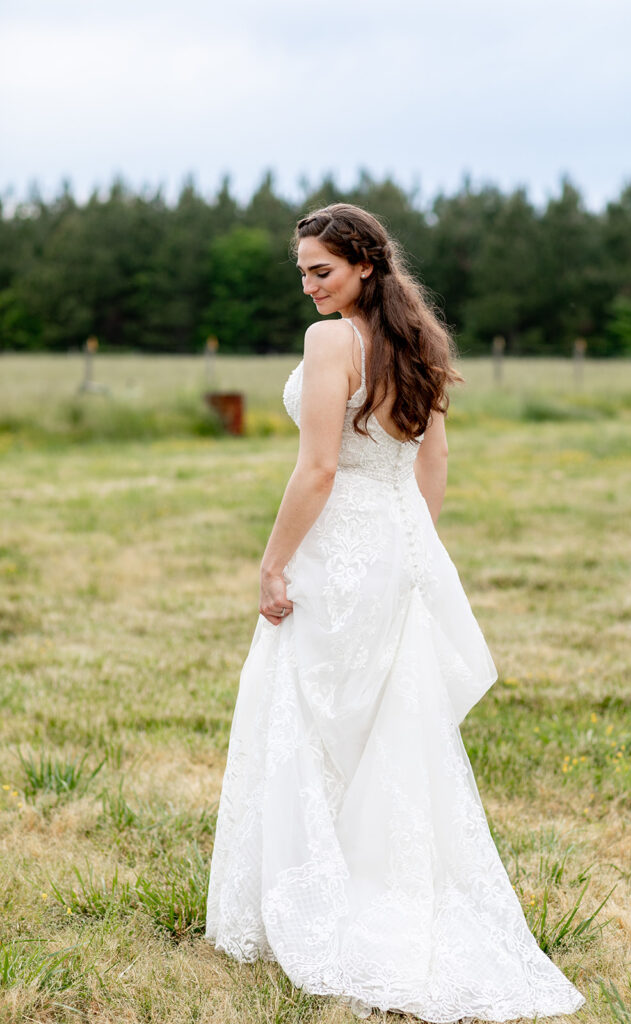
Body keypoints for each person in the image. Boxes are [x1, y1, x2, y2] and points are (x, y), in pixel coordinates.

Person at [206, 203, 586, 1022]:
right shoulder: (418, 343)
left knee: (308, 718)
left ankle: (318, 893)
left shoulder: (330, 343)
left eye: (322, 270)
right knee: (383, 722)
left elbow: (316, 470)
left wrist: (273, 562)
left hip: (338, 540)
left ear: (365, 265)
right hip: (397, 546)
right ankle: (367, 875)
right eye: (302, 271)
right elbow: (432, 463)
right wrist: (409, 552)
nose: (308, 286)